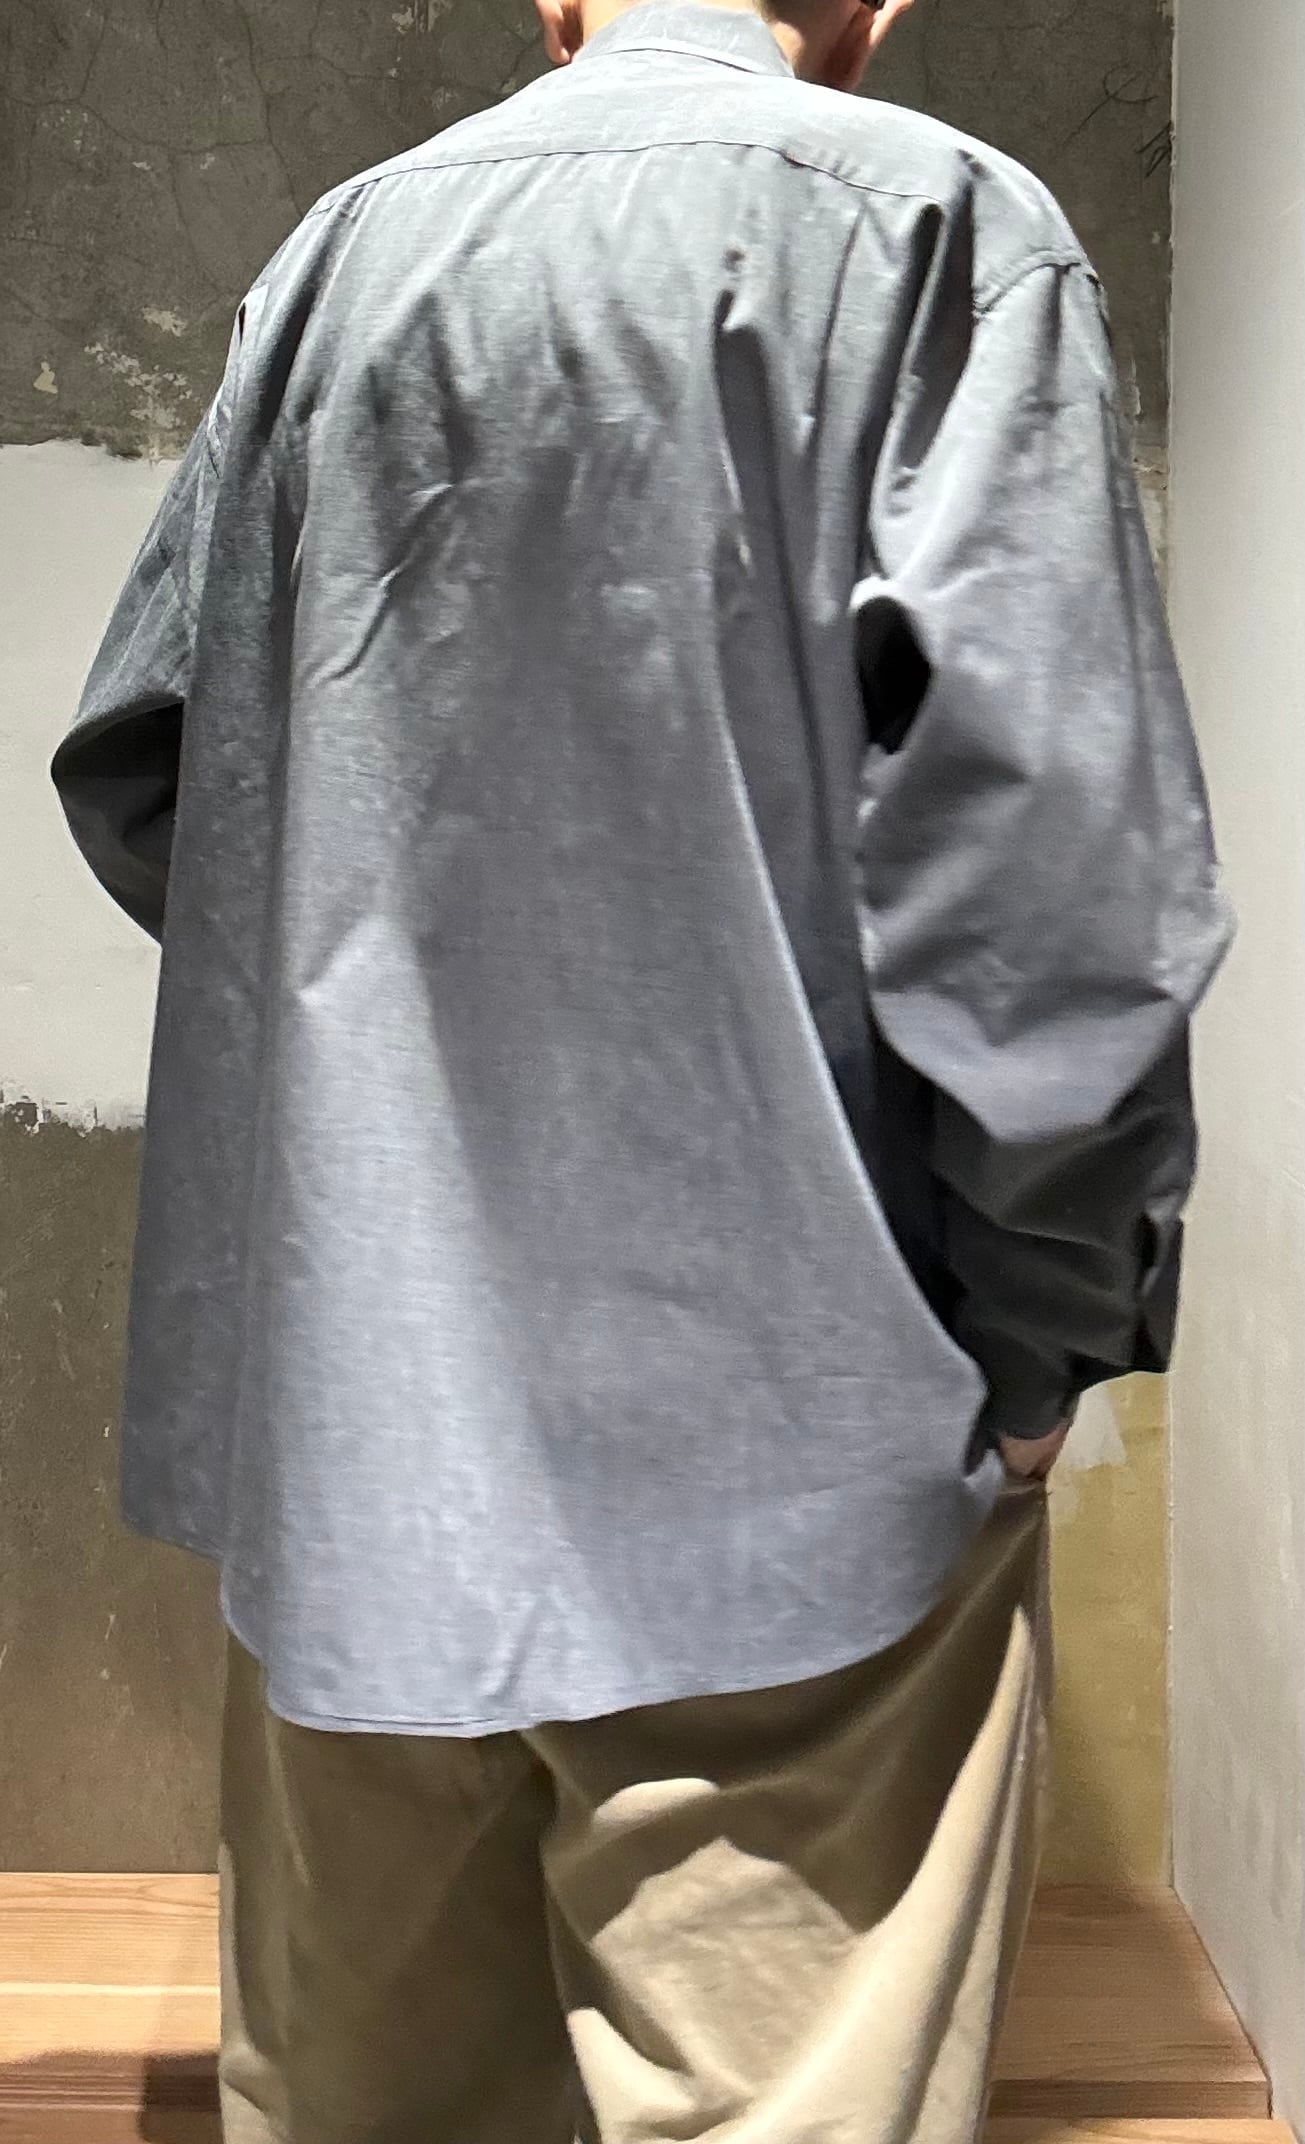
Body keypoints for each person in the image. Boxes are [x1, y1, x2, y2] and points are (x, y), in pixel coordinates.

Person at [52, 0, 1230, 2136]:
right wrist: (1041, 1337)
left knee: (372, 2095)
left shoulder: (338, 251)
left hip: (364, 1422)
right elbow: (1053, 889)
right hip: (804, 1427)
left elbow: (155, 764)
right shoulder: (935, 230)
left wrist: (381, 1053)